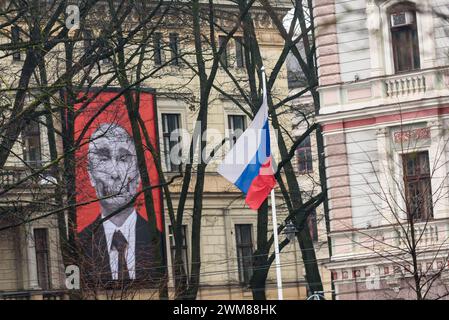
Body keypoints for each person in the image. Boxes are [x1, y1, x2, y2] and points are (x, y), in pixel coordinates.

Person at [78, 123, 156, 287]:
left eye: (123, 159)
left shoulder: (158, 239)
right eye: (103, 159)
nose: (114, 173)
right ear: (90, 174)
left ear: (138, 175)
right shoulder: (80, 243)